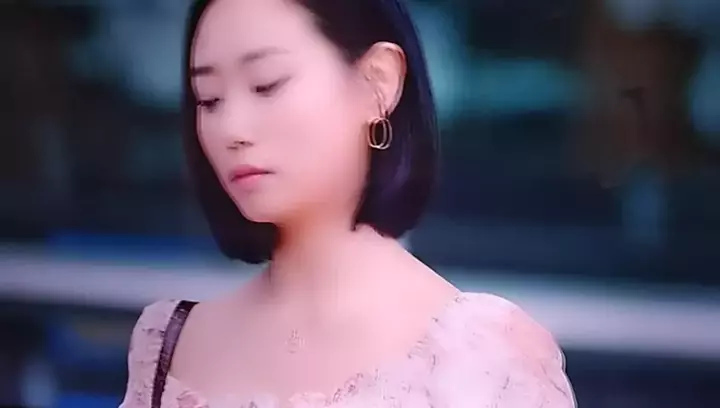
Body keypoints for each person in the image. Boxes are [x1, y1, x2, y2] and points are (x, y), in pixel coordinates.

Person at [119, 0, 576, 407]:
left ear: (378, 82)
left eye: (266, 84)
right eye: (209, 99)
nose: (232, 129)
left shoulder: (484, 359)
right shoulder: (170, 346)